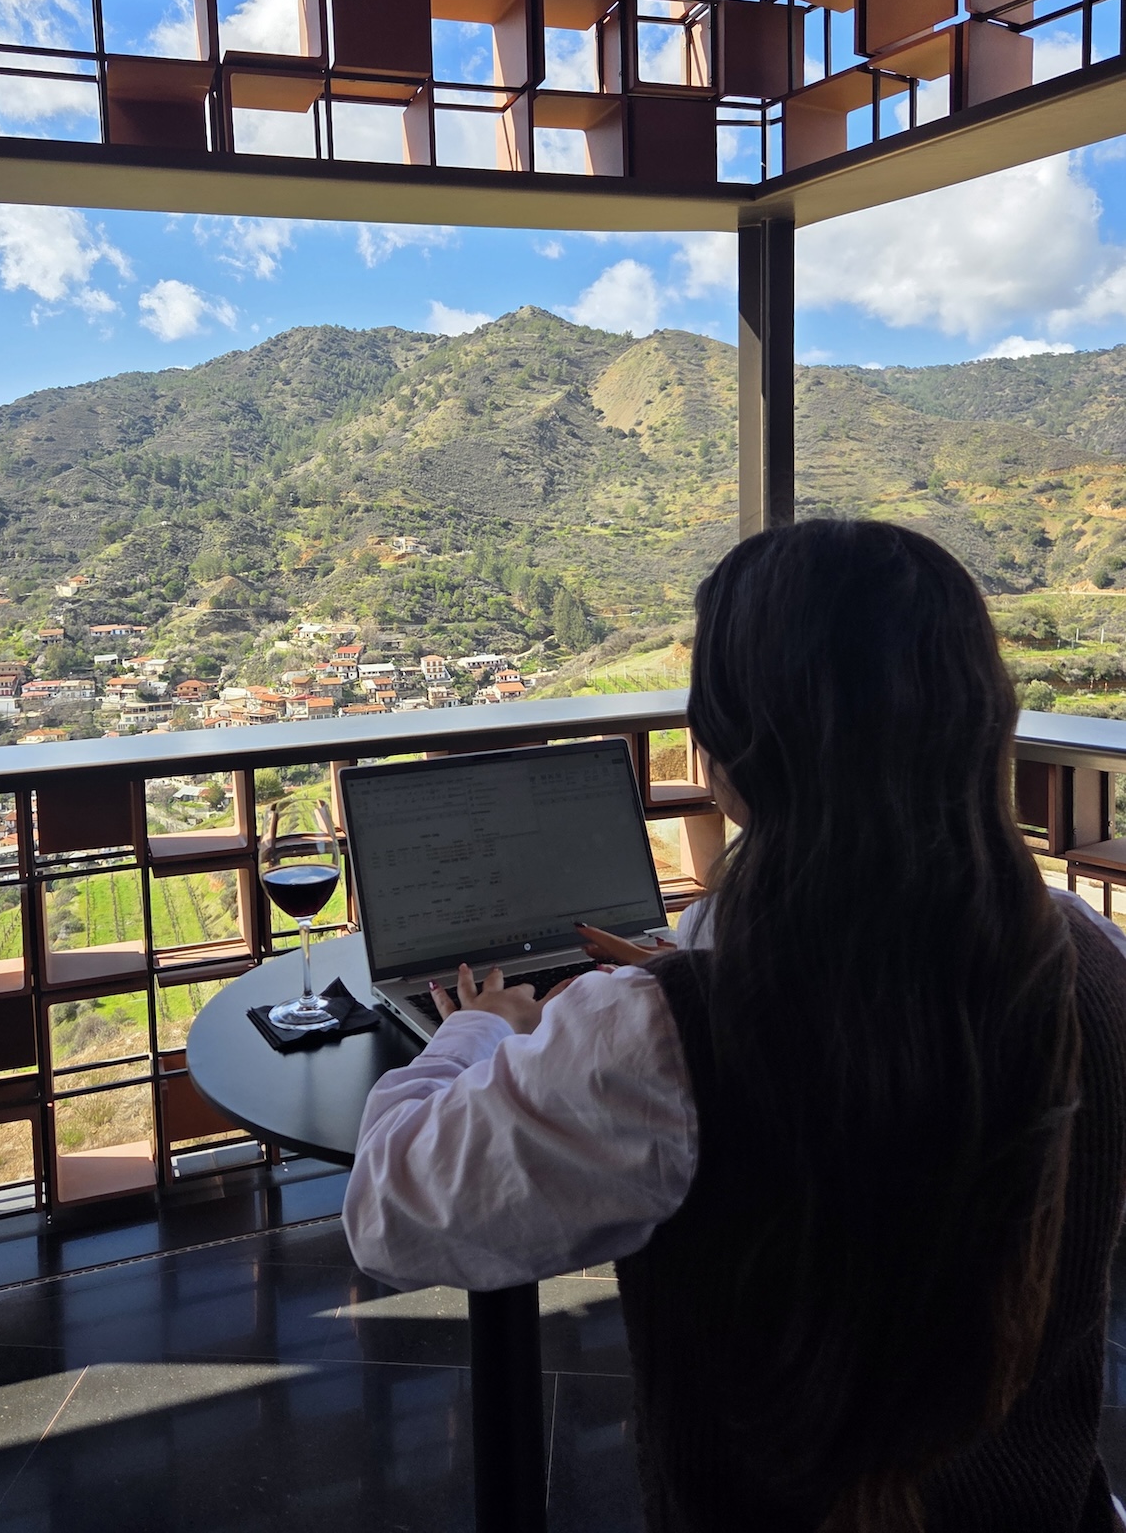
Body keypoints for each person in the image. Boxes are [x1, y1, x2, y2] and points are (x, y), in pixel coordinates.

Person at [342, 520, 1126, 1532]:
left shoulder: (661, 1041)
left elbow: (389, 1205)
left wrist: (478, 1032)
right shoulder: (1090, 956)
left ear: (729, 745)